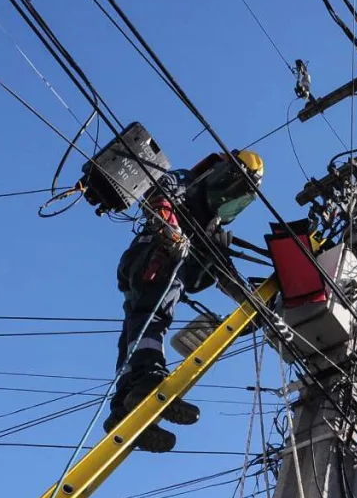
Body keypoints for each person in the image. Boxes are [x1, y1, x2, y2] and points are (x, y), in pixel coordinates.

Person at [103, 150, 264, 453]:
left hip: (147, 269)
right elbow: (158, 193)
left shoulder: (212, 227)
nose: (230, 198)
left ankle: (124, 406)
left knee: (134, 330)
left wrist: (253, 305)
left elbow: (224, 273)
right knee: (154, 314)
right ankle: (149, 376)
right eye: (234, 187)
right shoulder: (187, 183)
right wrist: (172, 230)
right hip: (154, 257)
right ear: (222, 174)